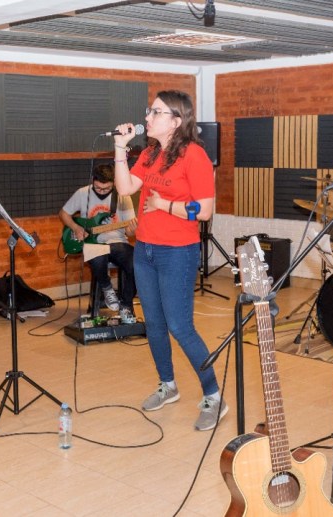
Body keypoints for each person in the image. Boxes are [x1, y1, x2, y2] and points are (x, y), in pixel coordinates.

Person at [111, 90, 227, 431]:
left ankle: (214, 396)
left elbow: (204, 211)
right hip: (145, 249)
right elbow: (125, 188)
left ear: (176, 121)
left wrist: (164, 205)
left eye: (156, 112)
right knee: (155, 324)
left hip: (177, 252)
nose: (147, 117)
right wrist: (120, 148)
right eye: (150, 111)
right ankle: (168, 384)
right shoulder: (150, 153)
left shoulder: (195, 156)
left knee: (180, 326)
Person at [60, 163, 137, 317]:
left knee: (136, 263)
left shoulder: (123, 196)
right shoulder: (83, 193)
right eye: (98, 188)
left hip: (118, 242)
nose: (101, 192)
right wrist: (76, 228)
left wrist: (133, 229)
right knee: (97, 256)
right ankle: (107, 288)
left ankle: (126, 304)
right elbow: (63, 213)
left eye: (106, 189)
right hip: (92, 243)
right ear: (93, 180)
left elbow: (129, 232)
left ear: (113, 183)